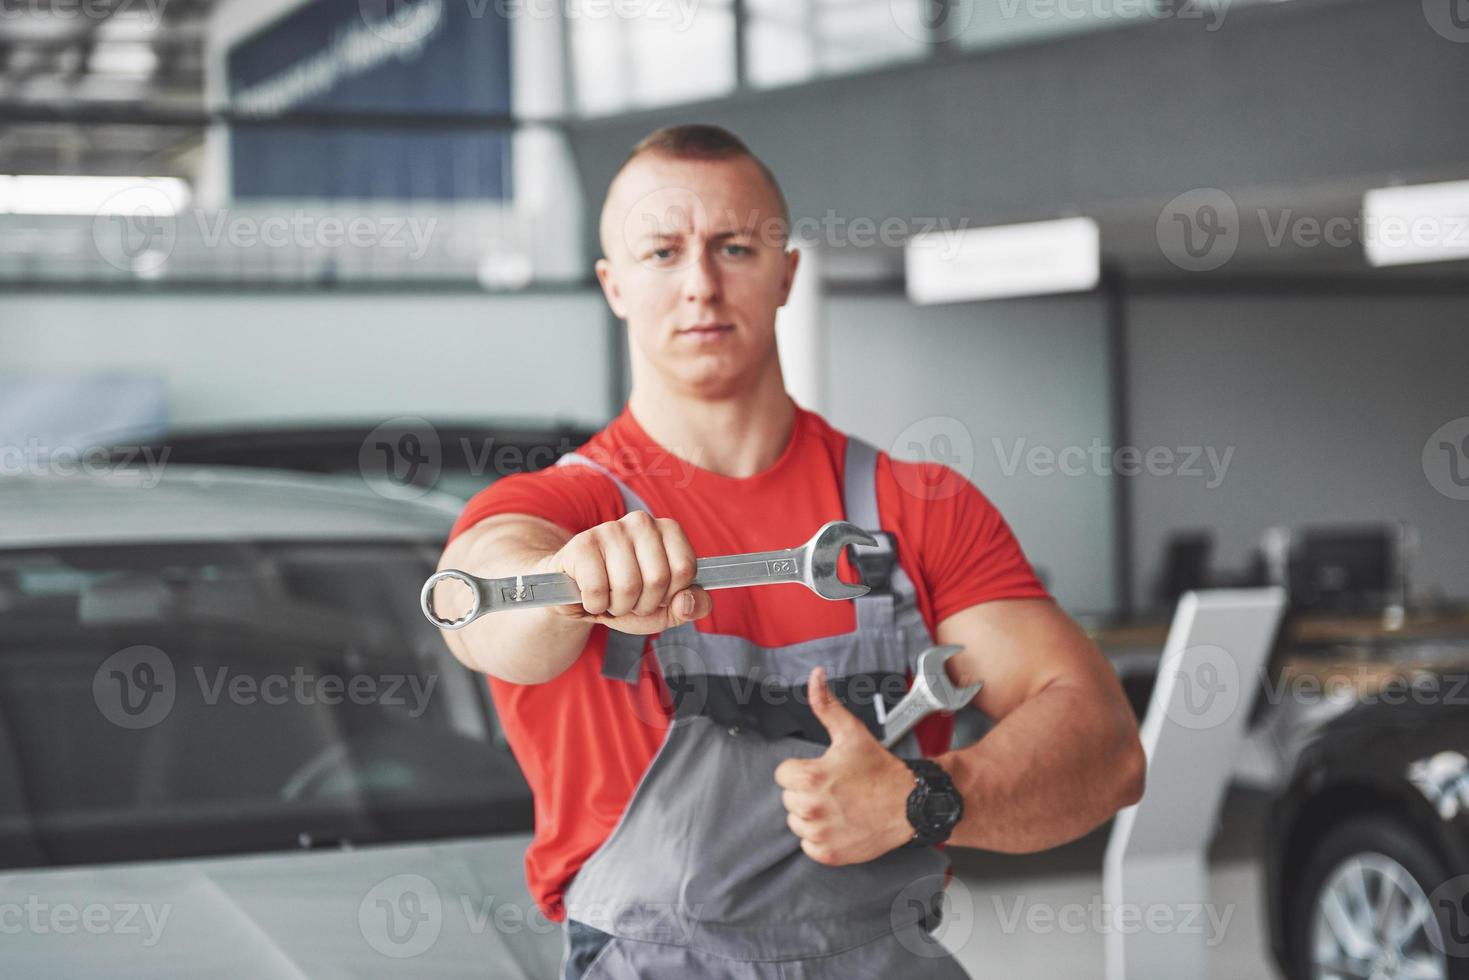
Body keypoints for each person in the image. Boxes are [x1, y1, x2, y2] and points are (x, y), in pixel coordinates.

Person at [432, 124, 1145, 978]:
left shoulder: (914, 509)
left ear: (786, 274)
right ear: (612, 285)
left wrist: (925, 799)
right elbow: (481, 595)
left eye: (733, 246)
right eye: (661, 252)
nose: (699, 284)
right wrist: (560, 586)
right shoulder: (563, 506)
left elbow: (1103, 747)